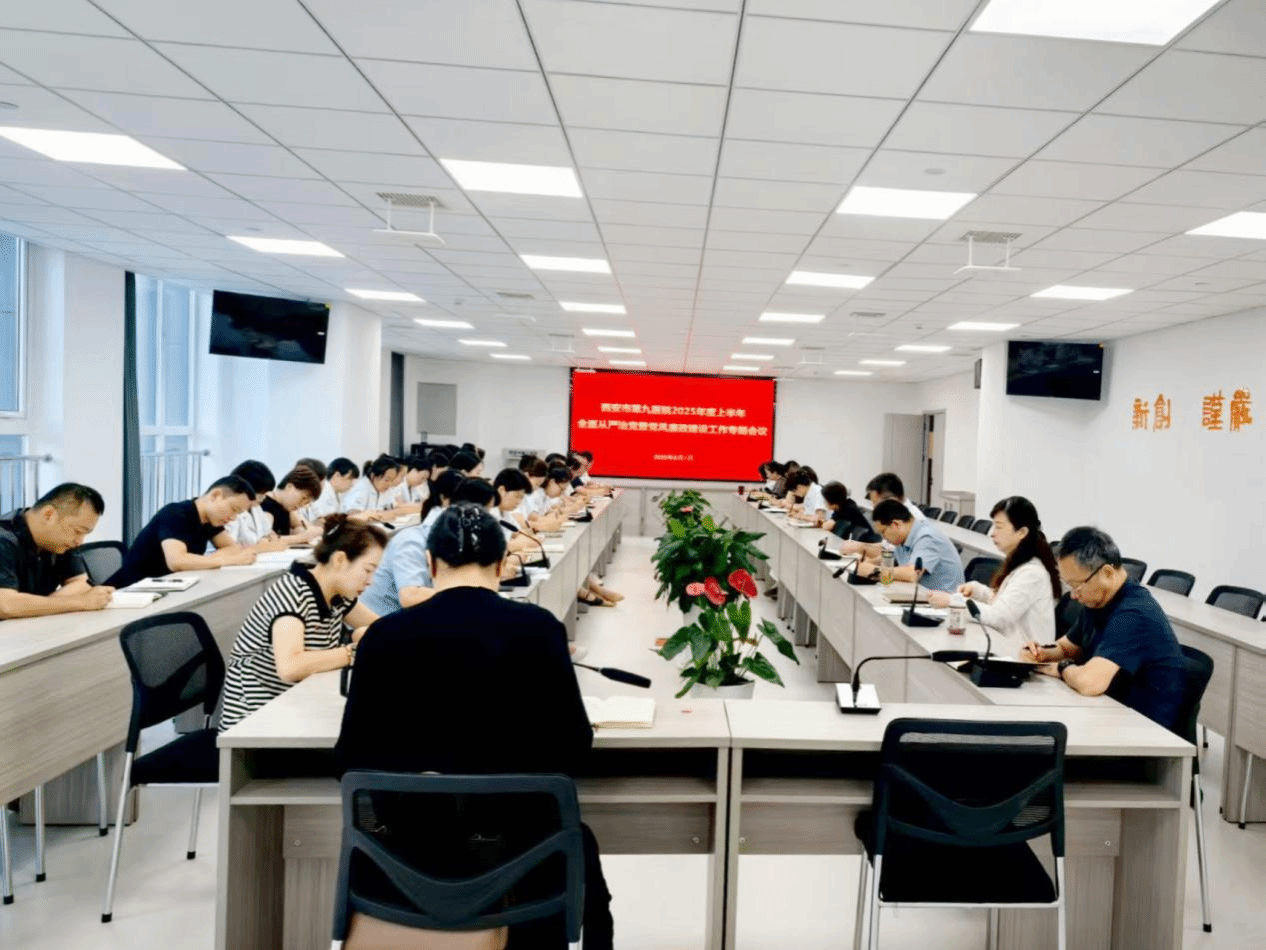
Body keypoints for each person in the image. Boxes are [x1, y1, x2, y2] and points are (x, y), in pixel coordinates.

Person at [334, 505, 614, 950]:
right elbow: (574, 747)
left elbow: (350, 757)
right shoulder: (538, 629)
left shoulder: (385, 635)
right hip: (524, 852)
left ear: (430, 564)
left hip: (407, 856)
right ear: (501, 565)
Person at [218, 516, 385, 732]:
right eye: (368, 570)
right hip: (255, 721)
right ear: (340, 560)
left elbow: (384, 629)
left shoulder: (339, 593)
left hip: (296, 704)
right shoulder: (292, 592)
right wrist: (354, 651)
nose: (370, 580)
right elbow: (290, 667)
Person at [1024, 526, 1186, 730]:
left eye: (1077, 585)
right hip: (1108, 712)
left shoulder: (1134, 614)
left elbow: (1090, 683)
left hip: (1141, 731)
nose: (1073, 595)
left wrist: (1063, 668)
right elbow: (1066, 648)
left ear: (1107, 573)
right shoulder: (1097, 600)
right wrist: (1040, 653)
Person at [927, 496, 1060, 648]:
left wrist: (952, 601)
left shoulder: (1032, 573)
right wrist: (979, 591)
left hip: (1022, 656)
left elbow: (999, 617)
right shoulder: (1020, 563)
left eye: (999, 527)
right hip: (1007, 647)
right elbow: (1005, 602)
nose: (992, 533)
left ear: (1022, 532)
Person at [107, 475, 258, 587]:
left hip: (167, 585)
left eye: (238, 513)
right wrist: (225, 560)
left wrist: (212, 560)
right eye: (233, 509)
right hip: (130, 589)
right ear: (215, 495)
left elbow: (232, 548)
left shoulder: (210, 520)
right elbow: (176, 561)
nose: (233, 517)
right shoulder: (175, 513)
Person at [359, 470, 466, 616]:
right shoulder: (412, 540)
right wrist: (465, 595)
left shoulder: (450, 533)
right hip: (380, 617)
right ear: (444, 499)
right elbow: (410, 596)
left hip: (405, 614)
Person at [0, 483, 113, 619]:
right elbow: (5, 605)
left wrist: (39, 607)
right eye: (78, 531)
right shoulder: (4, 539)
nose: (79, 541)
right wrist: (81, 602)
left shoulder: (59, 542)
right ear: (48, 515)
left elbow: (80, 583)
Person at [851, 499, 964, 592]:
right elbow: (890, 557)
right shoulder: (903, 537)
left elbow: (912, 574)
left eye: (883, 532)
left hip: (943, 605)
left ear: (895, 524)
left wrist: (874, 571)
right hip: (921, 596)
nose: (884, 538)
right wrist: (867, 563)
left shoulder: (927, 537)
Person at [224, 460, 290, 552]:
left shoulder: (256, 509)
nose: (263, 498)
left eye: (265, 493)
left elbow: (269, 534)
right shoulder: (230, 513)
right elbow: (229, 547)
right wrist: (264, 546)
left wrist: (268, 539)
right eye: (261, 493)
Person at [260, 465, 323, 543]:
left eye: (307, 503)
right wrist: (301, 537)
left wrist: (300, 530)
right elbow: (268, 541)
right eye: (303, 498)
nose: (302, 505)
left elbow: (305, 527)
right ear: (289, 487)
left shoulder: (286, 507)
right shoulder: (264, 505)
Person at [341, 455, 400, 521]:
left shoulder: (382, 489)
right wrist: (379, 515)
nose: (390, 484)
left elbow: (391, 509)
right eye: (387, 480)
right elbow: (351, 516)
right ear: (373, 476)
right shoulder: (361, 488)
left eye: (392, 480)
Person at [304, 457, 359, 523]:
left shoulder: (334, 493)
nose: (351, 483)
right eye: (350, 478)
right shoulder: (323, 492)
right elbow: (321, 521)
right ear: (337, 475)